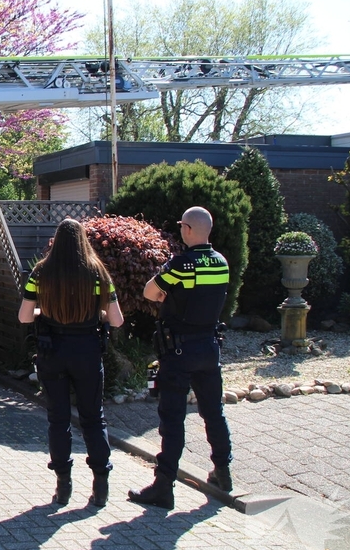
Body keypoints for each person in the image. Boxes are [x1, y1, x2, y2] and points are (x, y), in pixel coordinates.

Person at [128, 206, 233, 510]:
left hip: (178, 351)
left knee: (172, 419)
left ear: (187, 229)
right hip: (209, 349)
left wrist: (168, 295)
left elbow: (150, 292)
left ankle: (164, 486)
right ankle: (223, 473)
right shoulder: (221, 263)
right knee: (214, 412)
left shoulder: (181, 264)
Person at [18, 218, 124, 507]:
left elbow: (24, 317)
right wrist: (95, 316)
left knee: (58, 420)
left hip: (52, 352)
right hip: (88, 351)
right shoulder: (98, 273)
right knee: (93, 418)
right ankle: (101, 486)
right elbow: (116, 320)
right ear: (83, 240)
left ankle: (63, 487)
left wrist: (45, 311)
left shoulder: (41, 273)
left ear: (56, 240)